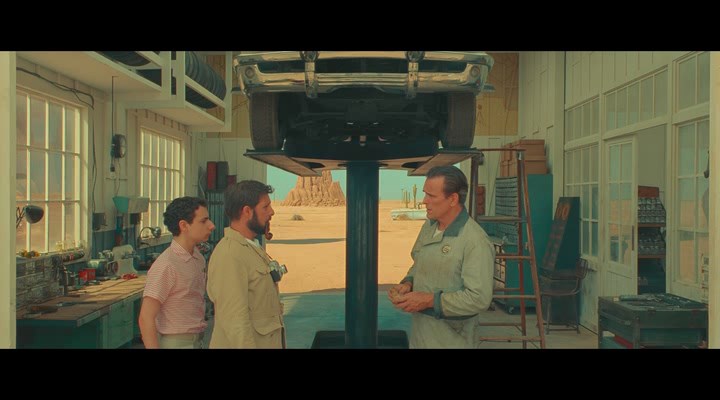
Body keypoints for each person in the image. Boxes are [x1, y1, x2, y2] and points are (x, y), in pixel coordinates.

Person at [388, 165, 495, 348]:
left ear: (452, 199)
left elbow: (478, 298)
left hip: (452, 339)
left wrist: (429, 300)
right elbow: (419, 262)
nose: (424, 201)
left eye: (431, 196)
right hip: (421, 335)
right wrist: (408, 283)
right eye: (425, 194)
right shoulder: (429, 227)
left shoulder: (475, 241)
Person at [207, 180, 286, 348]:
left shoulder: (250, 247)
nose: (271, 212)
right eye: (265, 207)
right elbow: (235, 322)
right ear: (247, 211)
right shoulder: (230, 255)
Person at [138, 196, 216, 349]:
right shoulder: (167, 265)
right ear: (184, 225)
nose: (211, 226)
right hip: (176, 342)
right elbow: (146, 317)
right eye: (203, 221)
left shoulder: (198, 258)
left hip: (197, 340)